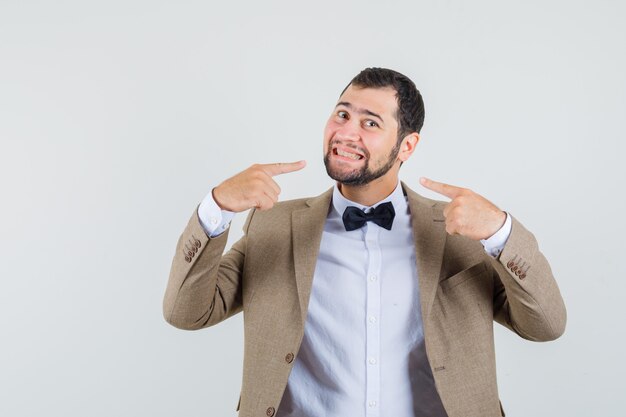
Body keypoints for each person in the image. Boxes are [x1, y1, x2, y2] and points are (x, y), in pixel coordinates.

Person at [163, 67, 566, 417]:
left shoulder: (459, 232)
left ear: (407, 145)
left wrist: (500, 231)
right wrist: (216, 209)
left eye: (370, 122)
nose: (346, 132)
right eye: (342, 114)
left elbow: (546, 326)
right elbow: (187, 313)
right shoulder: (274, 226)